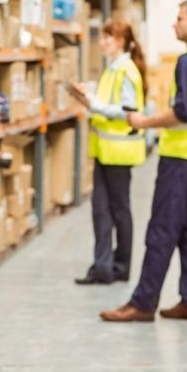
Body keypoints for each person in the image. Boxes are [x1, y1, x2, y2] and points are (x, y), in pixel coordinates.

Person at [99, 0, 187, 323]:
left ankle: (142, 303)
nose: (174, 24)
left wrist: (144, 122)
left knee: (161, 230)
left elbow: (184, 111)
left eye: (179, 18)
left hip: (182, 157)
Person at [74, 20, 147, 286]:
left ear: (121, 42)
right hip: (105, 150)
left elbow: (127, 110)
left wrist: (94, 104)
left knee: (119, 210)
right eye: (103, 37)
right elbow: (109, 98)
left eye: (109, 37)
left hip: (120, 151)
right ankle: (102, 268)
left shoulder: (126, 70)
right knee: (100, 210)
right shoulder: (113, 69)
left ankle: (121, 266)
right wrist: (88, 93)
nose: (103, 42)